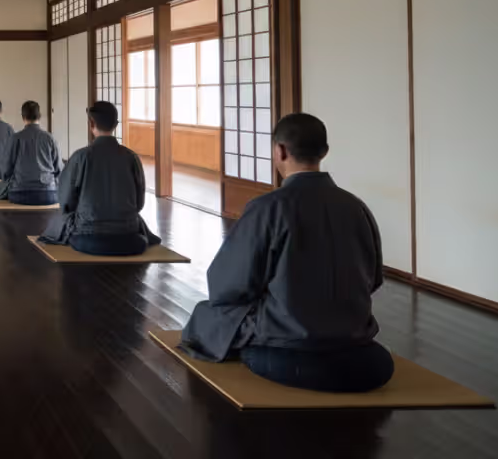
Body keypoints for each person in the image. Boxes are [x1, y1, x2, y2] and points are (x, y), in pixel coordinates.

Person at [180, 113, 394, 393]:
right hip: (352, 339)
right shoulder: (356, 206)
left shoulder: (268, 207)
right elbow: (374, 278)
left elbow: (226, 286)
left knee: (205, 316)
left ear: (279, 151)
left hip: (288, 340)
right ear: (325, 152)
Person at [38, 101, 161, 255]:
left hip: (89, 235)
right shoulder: (131, 157)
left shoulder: (80, 157)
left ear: (91, 123)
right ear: (116, 125)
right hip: (129, 237)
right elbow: (139, 203)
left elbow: (65, 200)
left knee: (57, 224)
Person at [0, 100, 63, 206]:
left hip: (20, 194)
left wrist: (8, 180)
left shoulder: (16, 138)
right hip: (49, 195)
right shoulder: (50, 138)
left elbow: (6, 168)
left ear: (23, 117)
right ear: (40, 116)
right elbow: (59, 169)